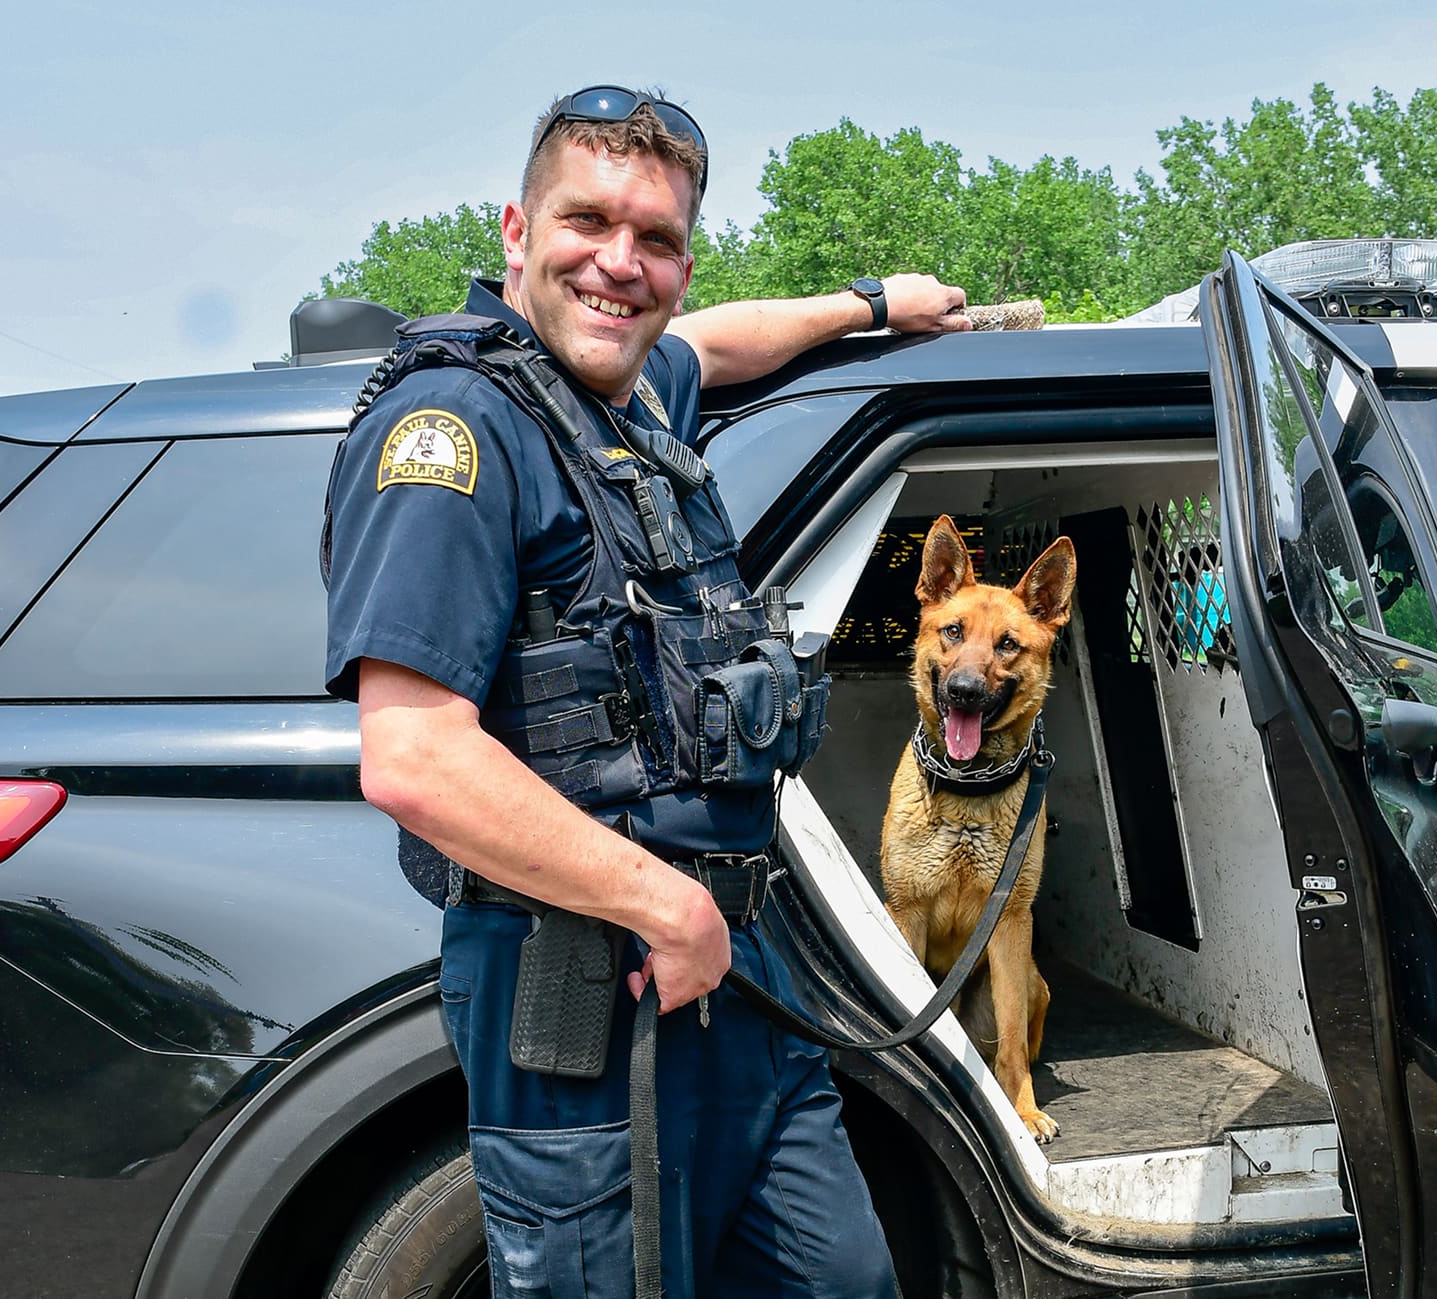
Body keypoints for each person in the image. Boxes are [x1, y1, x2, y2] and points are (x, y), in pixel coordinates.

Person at [324, 84, 968, 1298]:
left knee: (844, 1281)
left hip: (740, 980)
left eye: (659, 240)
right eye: (589, 225)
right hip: (586, 987)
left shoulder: (624, 393)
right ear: (517, 231)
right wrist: (666, 909)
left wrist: (875, 306)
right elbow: (412, 758)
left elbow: (719, 342)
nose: (621, 265)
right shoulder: (456, 429)